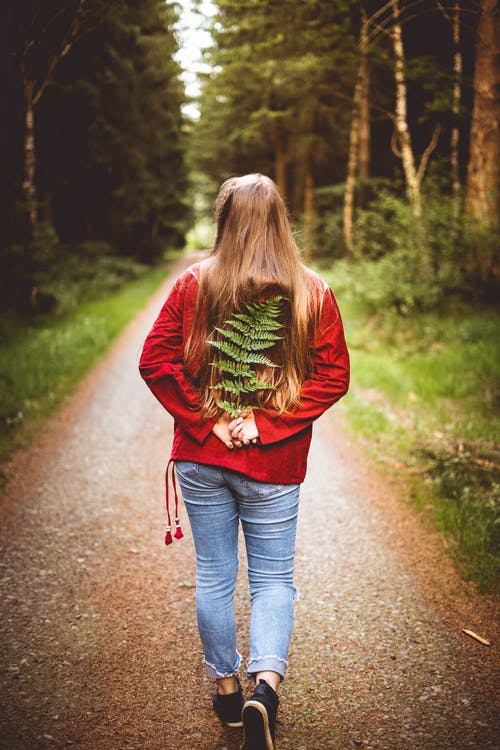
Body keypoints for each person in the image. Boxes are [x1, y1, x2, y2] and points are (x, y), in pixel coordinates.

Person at [139, 173, 349, 750]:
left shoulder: (194, 284)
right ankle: (267, 689)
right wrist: (266, 423)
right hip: (274, 464)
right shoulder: (313, 291)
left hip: (202, 460)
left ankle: (229, 693)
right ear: (280, 221)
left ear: (224, 220)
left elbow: (154, 360)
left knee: (213, 574)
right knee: (273, 578)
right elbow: (335, 376)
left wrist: (206, 421)